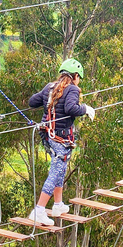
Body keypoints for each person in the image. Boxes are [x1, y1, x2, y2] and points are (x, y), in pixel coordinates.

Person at [28, 58, 96, 226]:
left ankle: (57, 205)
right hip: (61, 138)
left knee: (61, 168)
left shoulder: (50, 87)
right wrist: (85, 109)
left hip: (49, 137)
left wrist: (47, 98)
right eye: (79, 77)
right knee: (56, 171)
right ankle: (39, 210)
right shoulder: (72, 89)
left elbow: (32, 102)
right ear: (75, 76)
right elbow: (71, 109)